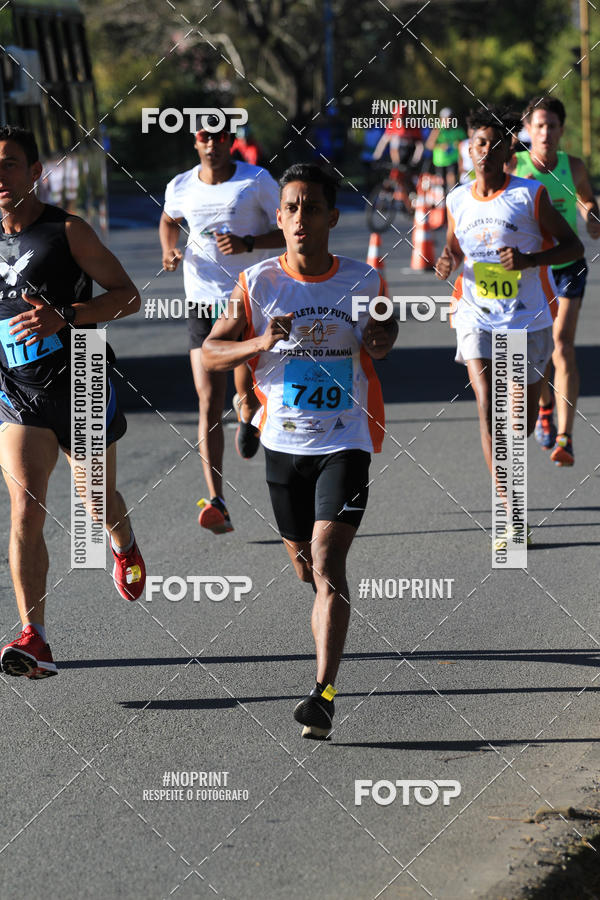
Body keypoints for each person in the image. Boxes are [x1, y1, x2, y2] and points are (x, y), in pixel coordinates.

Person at [203, 164, 398, 738]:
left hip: (345, 439)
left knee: (329, 561)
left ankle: (323, 692)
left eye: (311, 208)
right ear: (280, 218)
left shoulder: (363, 280)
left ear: (331, 218)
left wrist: (382, 340)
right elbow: (212, 353)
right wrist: (262, 340)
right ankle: (325, 619)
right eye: (290, 208)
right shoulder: (259, 282)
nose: (298, 218)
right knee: (306, 569)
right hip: (282, 444)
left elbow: (384, 340)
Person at [0, 126, 145, 680]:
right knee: (24, 509)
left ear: (36, 172)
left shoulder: (66, 231)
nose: (2, 177)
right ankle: (34, 637)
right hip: (18, 391)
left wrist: (67, 316)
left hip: (81, 377)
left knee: (92, 499)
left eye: (11, 164)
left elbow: (127, 296)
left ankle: (122, 541)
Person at [435, 108, 583, 539]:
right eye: (478, 142)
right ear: (468, 148)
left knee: (515, 419)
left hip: (525, 315)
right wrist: (447, 261)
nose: (485, 151)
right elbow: (453, 250)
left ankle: (539, 412)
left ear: (507, 150)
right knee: (488, 407)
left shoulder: (529, 195)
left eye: (494, 143)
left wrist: (530, 260)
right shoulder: (458, 198)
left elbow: (572, 246)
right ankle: (510, 509)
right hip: (474, 311)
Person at [159, 116, 285, 534]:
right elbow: (168, 220)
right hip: (200, 302)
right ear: (195, 143)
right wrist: (170, 250)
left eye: (218, 137)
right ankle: (217, 500)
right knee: (207, 399)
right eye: (203, 137)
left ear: (231, 141)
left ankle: (247, 411)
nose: (211, 143)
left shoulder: (257, 181)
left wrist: (249, 243)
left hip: (247, 301)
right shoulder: (180, 186)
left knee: (244, 392)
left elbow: (287, 231)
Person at [512, 97, 600, 466]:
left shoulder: (573, 166)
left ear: (562, 130)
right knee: (543, 348)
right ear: (528, 130)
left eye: (552, 126)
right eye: (539, 126)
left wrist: (593, 216)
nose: (546, 133)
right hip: (532, 269)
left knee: (562, 345)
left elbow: (586, 202)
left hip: (568, 265)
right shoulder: (512, 167)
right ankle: (545, 406)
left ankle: (565, 436)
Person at [425, 108, 466, 191]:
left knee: (452, 183)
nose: (449, 120)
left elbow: (465, 142)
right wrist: (441, 146)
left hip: (452, 160)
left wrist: (458, 144)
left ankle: (451, 198)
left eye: (450, 118)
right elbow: (429, 145)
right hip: (440, 162)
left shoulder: (457, 129)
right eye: (446, 118)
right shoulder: (437, 129)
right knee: (442, 185)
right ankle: (443, 200)